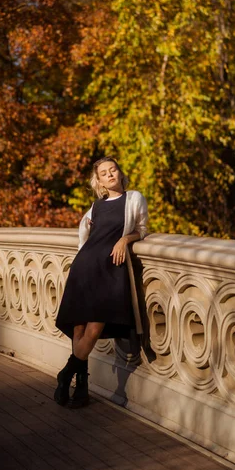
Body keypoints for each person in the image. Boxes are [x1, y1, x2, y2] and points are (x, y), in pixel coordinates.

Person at [54, 156, 148, 409]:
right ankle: (81, 390)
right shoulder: (96, 206)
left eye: (113, 170)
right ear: (99, 181)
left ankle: (66, 374)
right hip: (86, 267)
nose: (110, 175)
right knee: (79, 329)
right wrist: (87, 232)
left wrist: (124, 240)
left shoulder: (134, 198)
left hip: (110, 270)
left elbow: (142, 229)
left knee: (94, 330)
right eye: (104, 173)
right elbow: (83, 232)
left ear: (120, 172)